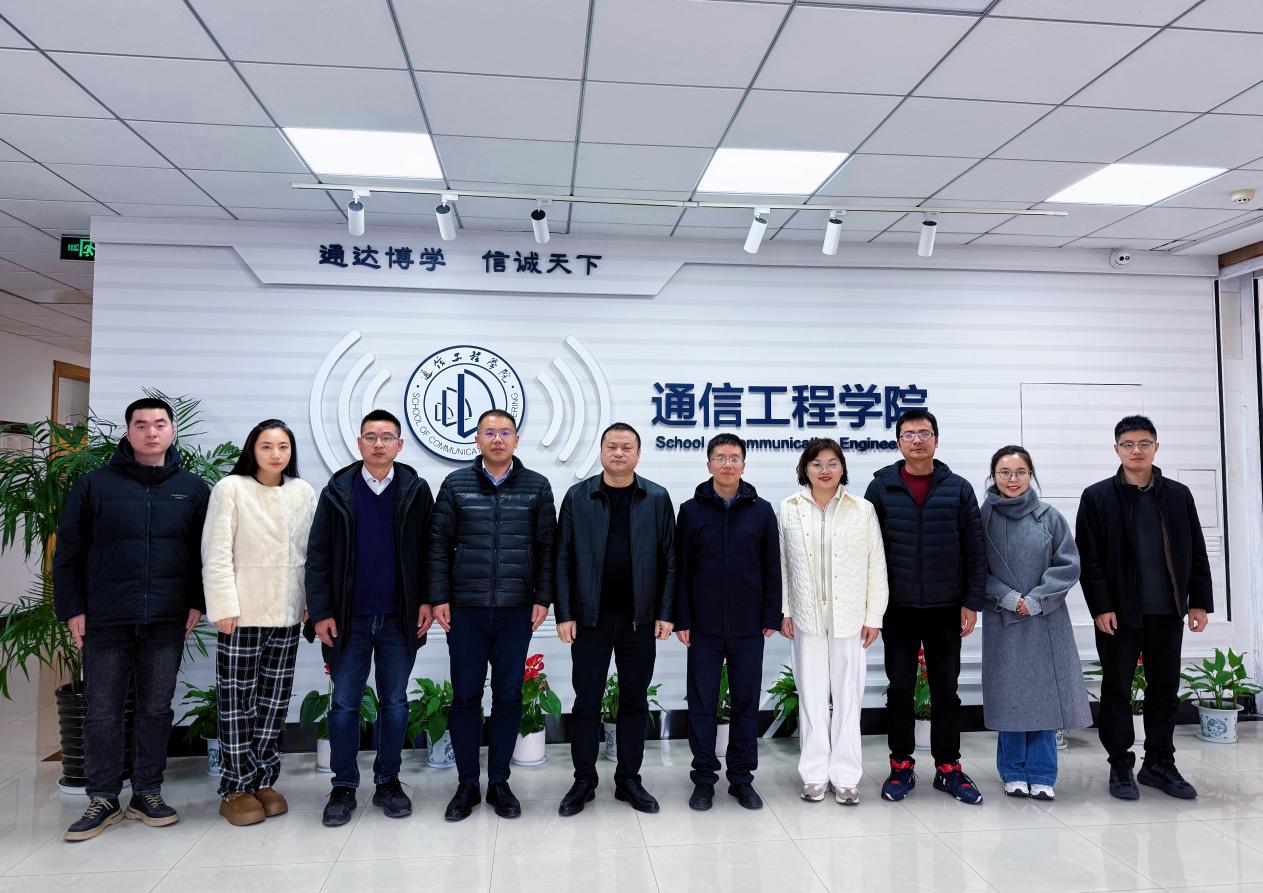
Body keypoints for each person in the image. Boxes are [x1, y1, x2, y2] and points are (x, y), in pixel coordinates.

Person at [54, 396, 210, 841]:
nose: (151, 432)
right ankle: (103, 797)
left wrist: (197, 602)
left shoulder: (193, 489)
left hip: (166, 617)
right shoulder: (94, 485)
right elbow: (68, 552)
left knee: (156, 708)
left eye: (159, 423)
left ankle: (147, 792)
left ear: (172, 430)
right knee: (102, 710)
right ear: (128, 432)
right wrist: (72, 608)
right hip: (106, 617)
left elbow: (205, 555)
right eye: (141, 424)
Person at [306, 409, 434, 827]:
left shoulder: (416, 490)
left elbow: (430, 551)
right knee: (344, 704)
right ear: (359, 443)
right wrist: (321, 611)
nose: (379, 444)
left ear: (400, 444)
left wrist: (428, 601)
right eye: (371, 437)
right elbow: (318, 555)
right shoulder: (337, 490)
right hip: (348, 619)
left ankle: (388, 781)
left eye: (387, 437)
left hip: (399, 617)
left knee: (394, 703)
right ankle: (343, 786)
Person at [1076, 415, 1212, 801]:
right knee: (1116, 690)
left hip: (1168, 611)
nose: (1136, 451)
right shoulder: (1097, 497)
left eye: (1144, 443)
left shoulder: (1178, 495)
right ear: (1116, 449)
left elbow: (1196, 550)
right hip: (1119, 614)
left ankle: (1159, 763)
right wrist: (1100, 607)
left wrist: (1199, 602)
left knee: (1164, 691)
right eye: (1128, 444)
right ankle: (1120, 764)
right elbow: (1089, 559)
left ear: (1156, 447)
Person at [429, 409, 556, 822]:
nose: (497, 439)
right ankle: (467, 783)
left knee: (509, 696)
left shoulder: (537, 486)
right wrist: (438, 597)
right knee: (465, 696)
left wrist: (543, 598)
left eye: (505, 433)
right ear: (477, 439)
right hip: (465, 609)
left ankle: (499, 781)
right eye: (489, 432)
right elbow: (437, 545)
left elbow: (547, 548)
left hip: (516, 609)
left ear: (516, 439)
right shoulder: (455, 484)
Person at [864, 408, 986, 806]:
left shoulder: (958, 488)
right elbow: (866, 551)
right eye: (909, 434)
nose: (917, 440)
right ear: (898, 441)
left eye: (924, 433)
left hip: (945, 607)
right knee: (900, 690)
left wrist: (971, 601)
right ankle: (901, 766)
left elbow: (975, 550)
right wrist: (871, 606)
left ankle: (949, 768)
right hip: (897, 607)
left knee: (945, 692)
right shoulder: (881, 488)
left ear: (936, 439)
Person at [554, 422, 675, 817]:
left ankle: (629, 779)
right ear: (601, 451)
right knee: (586, 701)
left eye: (626, 447)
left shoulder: (656, 497)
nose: (619, 453)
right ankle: (583, 780)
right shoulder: (578, 496)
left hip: (639, 620)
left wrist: (666, 613)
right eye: (612, 446)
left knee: (634, 701)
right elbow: (562, 558)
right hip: (590, 620)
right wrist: (565, 614)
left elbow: (670, 559)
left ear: (638, 454)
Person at [202, 419, 316, 825]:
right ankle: (236, 786)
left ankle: (264, 779)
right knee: (237, 702)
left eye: (283, 446)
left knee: (274, 702)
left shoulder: (302, 492)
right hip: (241, 614)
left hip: (287, 612)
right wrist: (223, 606)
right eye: (266, 446)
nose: (275, 454)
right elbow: (216, 552)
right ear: (252, 449)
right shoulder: (230, 488)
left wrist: (309, 602)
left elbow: (311, 552)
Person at [674, 433, 781, 812]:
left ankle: (741, 778)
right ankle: (704, 779)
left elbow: (772, 567)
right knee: (702, 703)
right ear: (709, 464)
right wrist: (682, 618)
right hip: (702, 626)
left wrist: (770, 614)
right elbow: (681, 569)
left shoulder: (762, 511)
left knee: (746, 702)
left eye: (734, 458)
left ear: (743, 465)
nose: (727, 464)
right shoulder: (691, 511)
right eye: (720, 457)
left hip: (748, 625)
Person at [779, 438, 887, 806]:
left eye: (832, 463)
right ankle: (814, 775)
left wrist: (874, 616)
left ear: (842, 468)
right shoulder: (789, 508)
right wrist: (786, 610)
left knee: (847, 698)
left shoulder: (862, 509)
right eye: (816, 464)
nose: (824, 470)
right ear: (804, 469)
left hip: (851, 618)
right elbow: (782, 565)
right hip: (806, 618)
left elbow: (876, 564)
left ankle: (845, 777)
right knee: (811, 698)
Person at [980, 445, 1091, 801]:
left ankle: (1043, 773)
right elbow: (973, 567)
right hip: (1004, 620)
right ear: (993, 476)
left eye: (1020, 472)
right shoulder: (981, 519)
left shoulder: (1049, 517)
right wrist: (1007, 597)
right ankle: (1013, 771)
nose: (1012, 479)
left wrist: (1038, 599)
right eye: (1004, 472)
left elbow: (1068, 564)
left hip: (1046, 620)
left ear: (1031, 475)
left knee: (1045, 699)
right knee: (1010, 698)